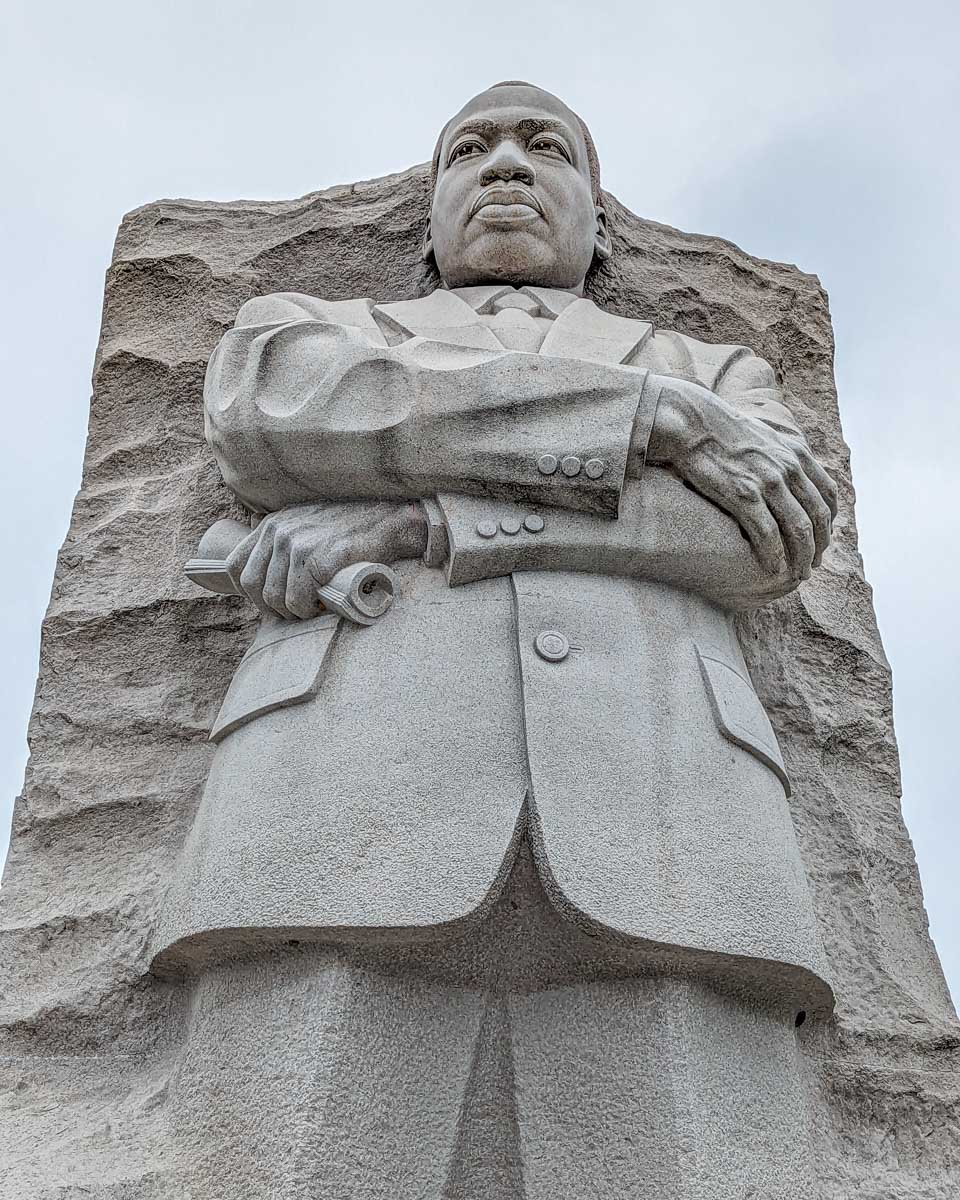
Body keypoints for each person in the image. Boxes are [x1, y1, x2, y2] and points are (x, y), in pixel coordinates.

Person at [153, 81, 838, 1199]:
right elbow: (282, 419)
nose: (507, 164)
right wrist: (647, 421)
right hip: (334, 808)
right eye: (470, 148)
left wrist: (421, 519)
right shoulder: (318, 336)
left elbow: (758, 539)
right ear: (427, 219)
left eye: (545, 147)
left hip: (674, 827)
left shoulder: (724, 372)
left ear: (599, 219)